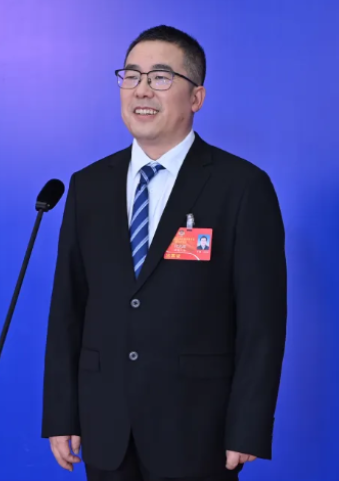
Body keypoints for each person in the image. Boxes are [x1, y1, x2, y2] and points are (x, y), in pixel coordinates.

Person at [41, 25, 287, 481]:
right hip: (105, 425)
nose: (141, 90)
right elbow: (68, 308)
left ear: (196, 97)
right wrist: (62, 414)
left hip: (197, 429)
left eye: (160, 77)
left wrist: (248, 426)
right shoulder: (88, 186)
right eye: (131, 75)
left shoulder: (241, 187)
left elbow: (262, 323)